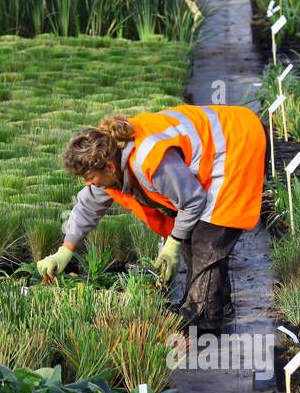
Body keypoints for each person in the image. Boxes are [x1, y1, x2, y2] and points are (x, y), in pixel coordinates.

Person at [38, 104, 267, 335]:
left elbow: (192, 200)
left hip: (236, 144)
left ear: (109, 167)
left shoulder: (149, 161)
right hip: (219, 146)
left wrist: (173, 242)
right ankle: (214, 303)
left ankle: (204, 320)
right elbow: (88, 205)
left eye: (89, 177)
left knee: (207, 239)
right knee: (189, 236)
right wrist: (65, 250)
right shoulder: (110, 164)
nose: (88, 183)